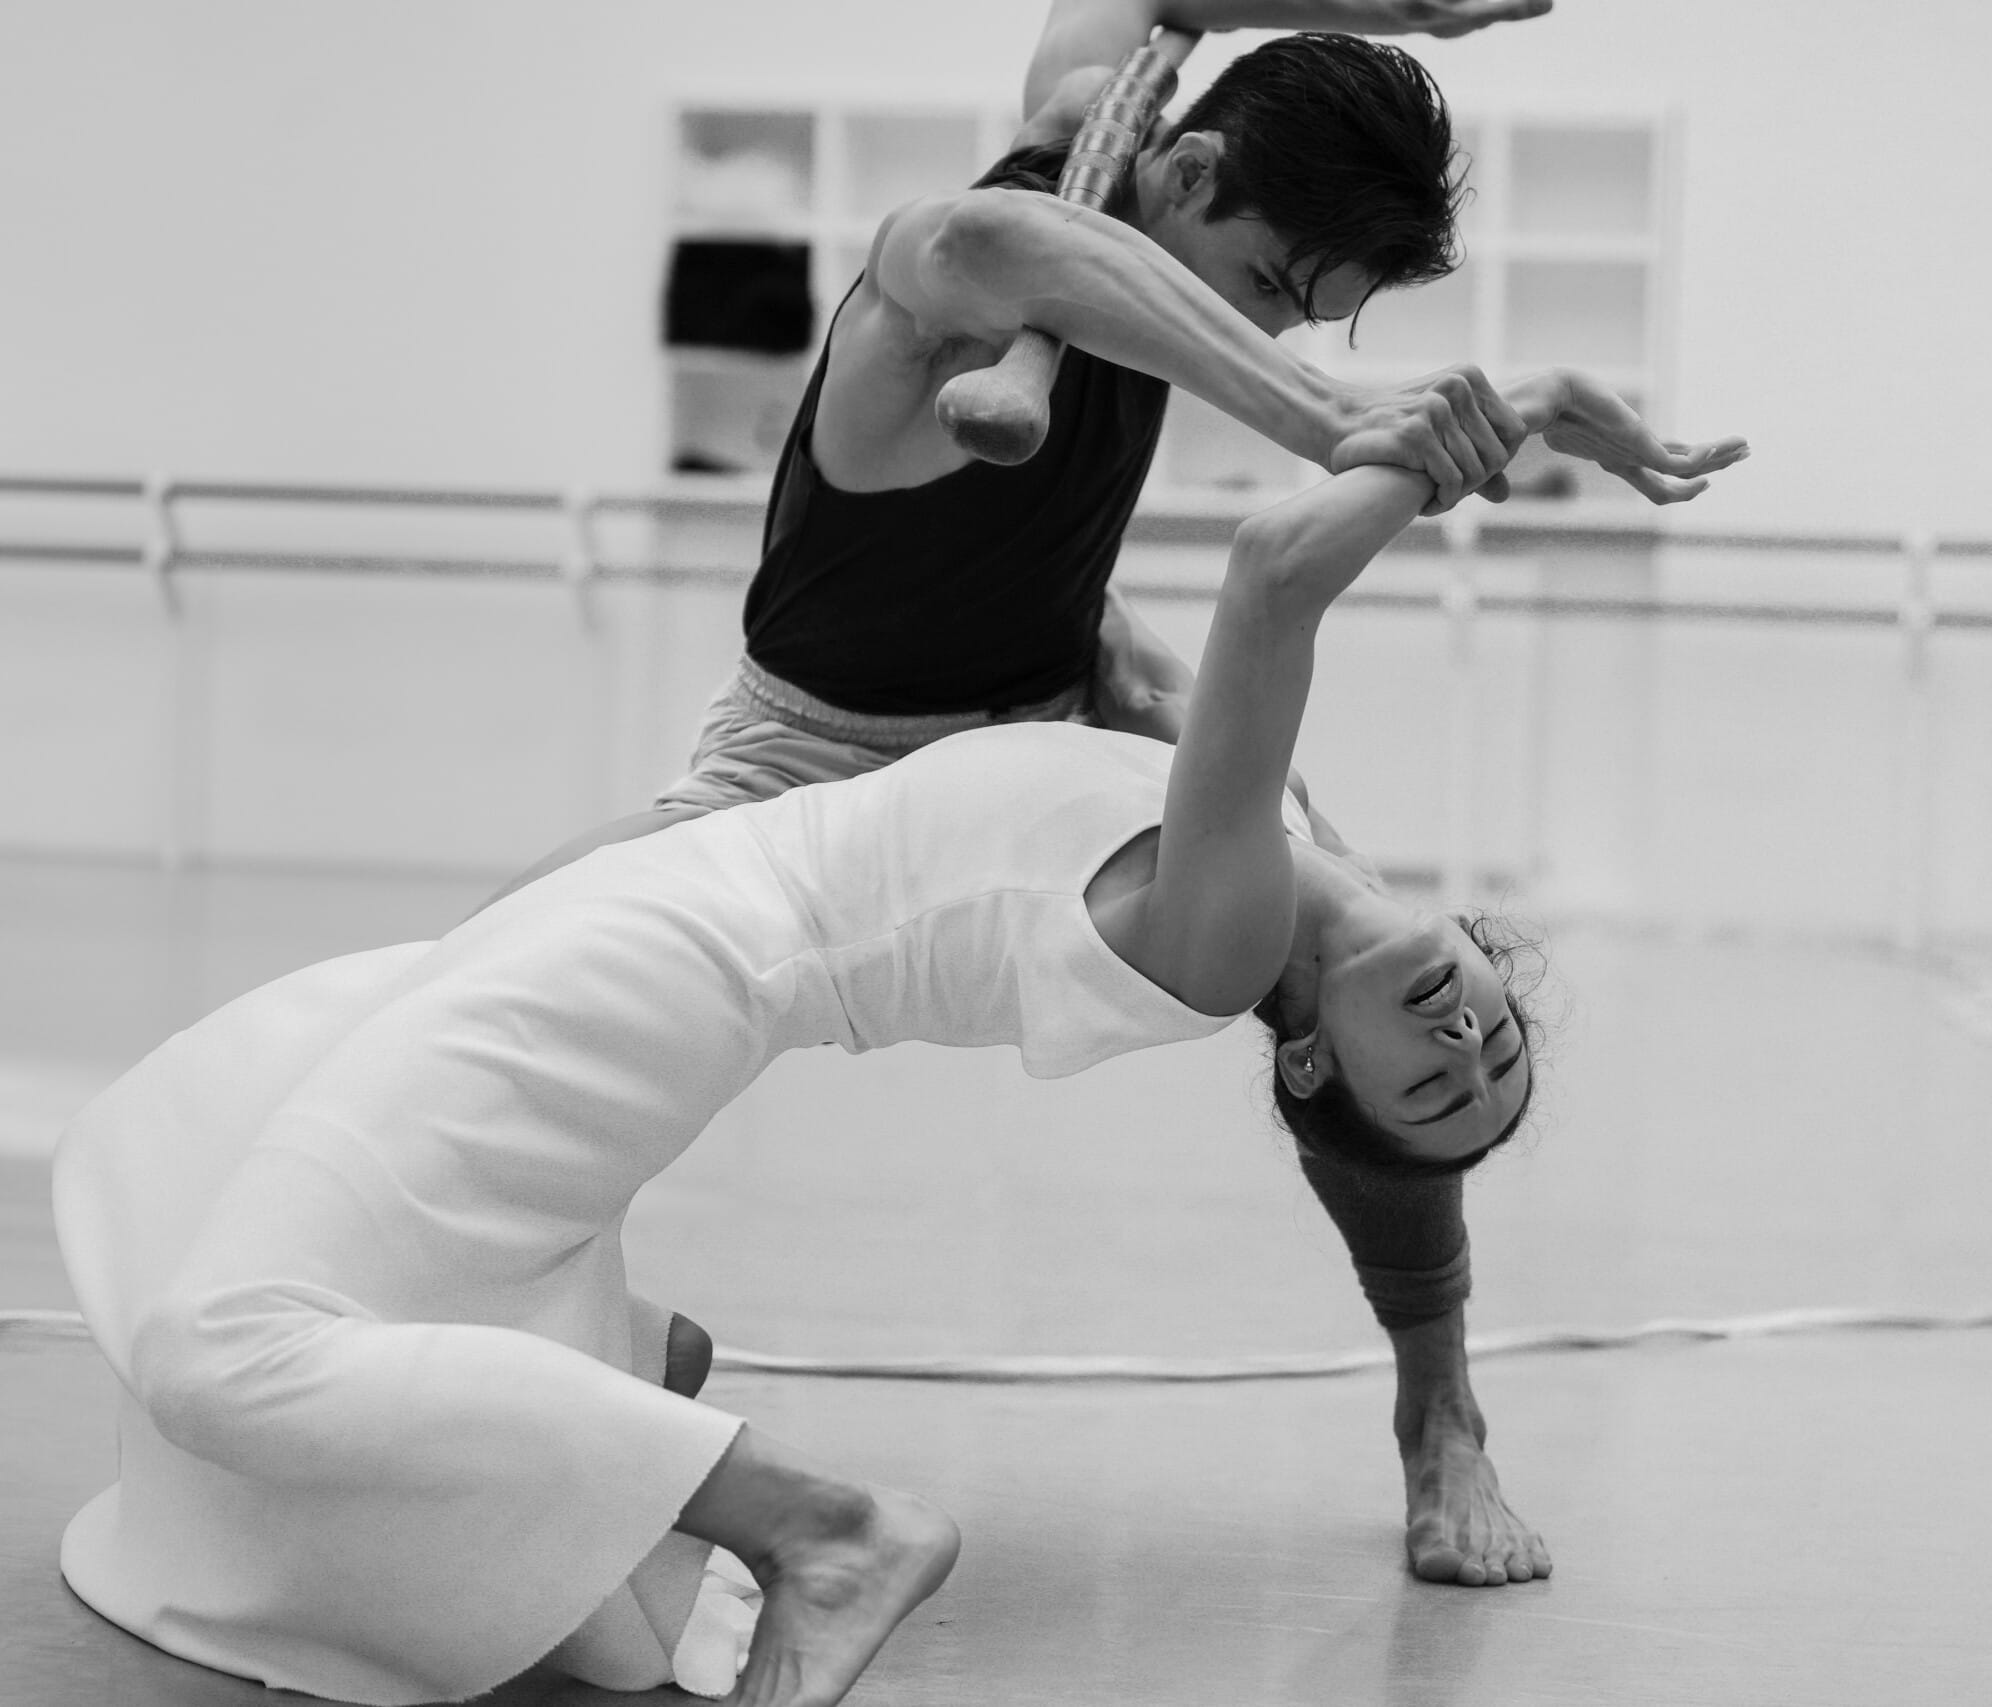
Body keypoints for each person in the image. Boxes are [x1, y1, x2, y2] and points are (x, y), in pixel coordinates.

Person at [53, 370, 1744, 1706]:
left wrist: (1524, 408)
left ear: (1313, 1066)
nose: (1473, 1034)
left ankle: (828, 1531)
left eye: (1438, 1079)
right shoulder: (1292, 830)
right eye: (1500, 1032)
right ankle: (611, 1351)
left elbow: (1274, 572)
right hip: (670, 911)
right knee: (253, 1100)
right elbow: (1088, 627)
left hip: (680, 949)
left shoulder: (1229, 932)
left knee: (230, 1347)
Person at [492, 2, 1676, 1593]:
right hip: (820, 757)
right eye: (1270, 292)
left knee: (1338, 942)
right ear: (1181, 172)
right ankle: (554, 1342)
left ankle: (1439, 1411)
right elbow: (987, 243)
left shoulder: (1111, 153)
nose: (1271, 337)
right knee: (492, 991)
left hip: (1063, 691)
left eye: (1306, 328)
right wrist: (1341, 417)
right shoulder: (1016, 245)